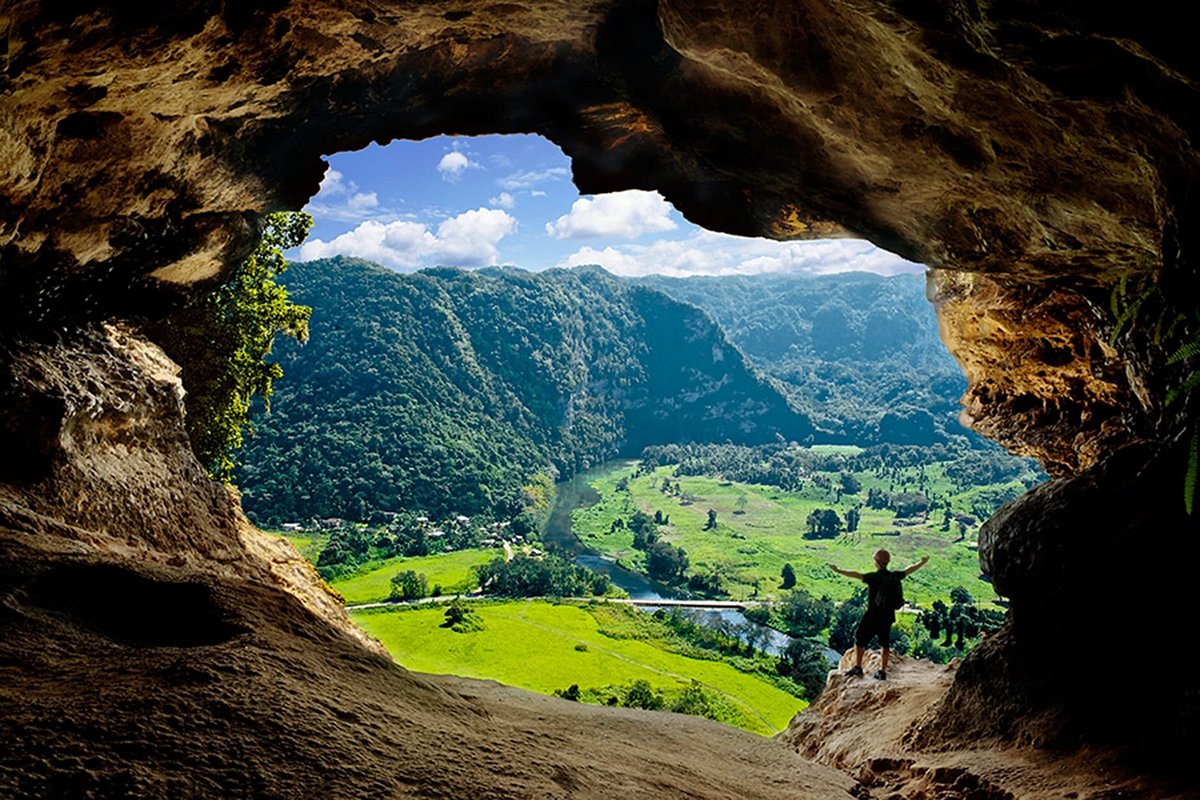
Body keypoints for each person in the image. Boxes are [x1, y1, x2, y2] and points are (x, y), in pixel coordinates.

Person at [828, 549, 928, 680]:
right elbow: (909, 570)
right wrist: (922, 563)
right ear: (888, 562)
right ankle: (882, 671)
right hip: (888, 616)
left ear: (877, 562)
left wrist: (838, 570)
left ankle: (858, 667)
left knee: (860, 639)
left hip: (872, 615)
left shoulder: (874, 578)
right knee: (884, 644)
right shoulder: (895, 576)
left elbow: (856, 575)